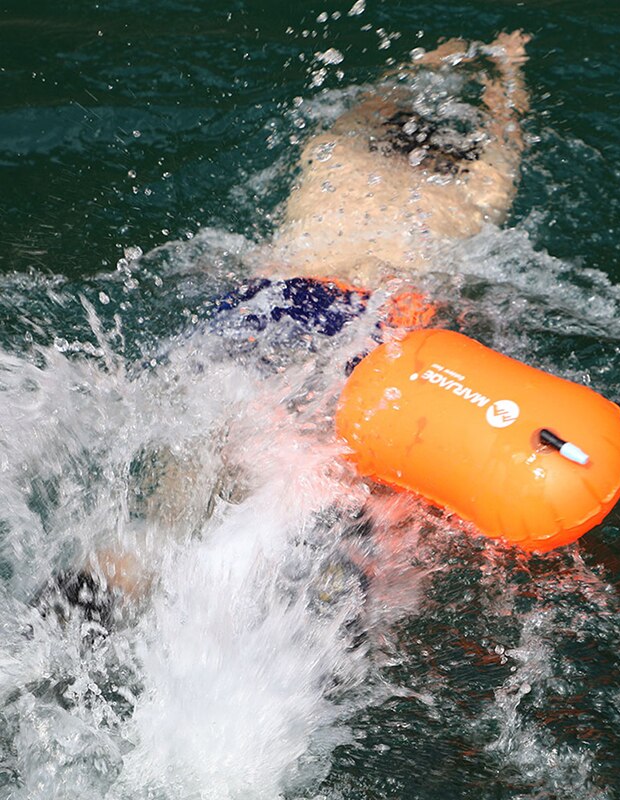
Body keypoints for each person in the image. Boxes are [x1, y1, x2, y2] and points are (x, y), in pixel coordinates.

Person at [36, 31, 532, 626]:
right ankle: (329, 576)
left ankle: (106, 579)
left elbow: (367, 104)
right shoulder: (467, 196)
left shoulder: (334, 156)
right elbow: (506, 146)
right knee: (332, 466)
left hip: (256, 305)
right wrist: (509, 74)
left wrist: (420, 64)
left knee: (194, 468)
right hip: (361, 323)